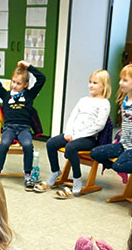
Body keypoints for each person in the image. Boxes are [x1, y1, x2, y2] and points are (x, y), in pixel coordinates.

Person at [0, 48, 46, 190]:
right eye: (13, 82)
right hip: (10, 128)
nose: (14, 85)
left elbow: (42, 79)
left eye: (18, 83)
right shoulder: (6, 96)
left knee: (28, 145)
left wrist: (28, 66)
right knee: (4, 143)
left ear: (25, 85)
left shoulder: (29, 95)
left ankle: (28, 176)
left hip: (24, 128)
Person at [35, 69, 111, 197]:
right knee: (51, 143)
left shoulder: (104, 103)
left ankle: (77, 179)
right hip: (72, 134)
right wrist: (68, 132)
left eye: (95, 83)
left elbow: (99, 125)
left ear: (104, 86)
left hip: (88, 138)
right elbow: (72, 117)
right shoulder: (83, 100)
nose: (91, 85)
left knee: (71, 147)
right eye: (90, 82)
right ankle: (55, 171)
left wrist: (76, 137)